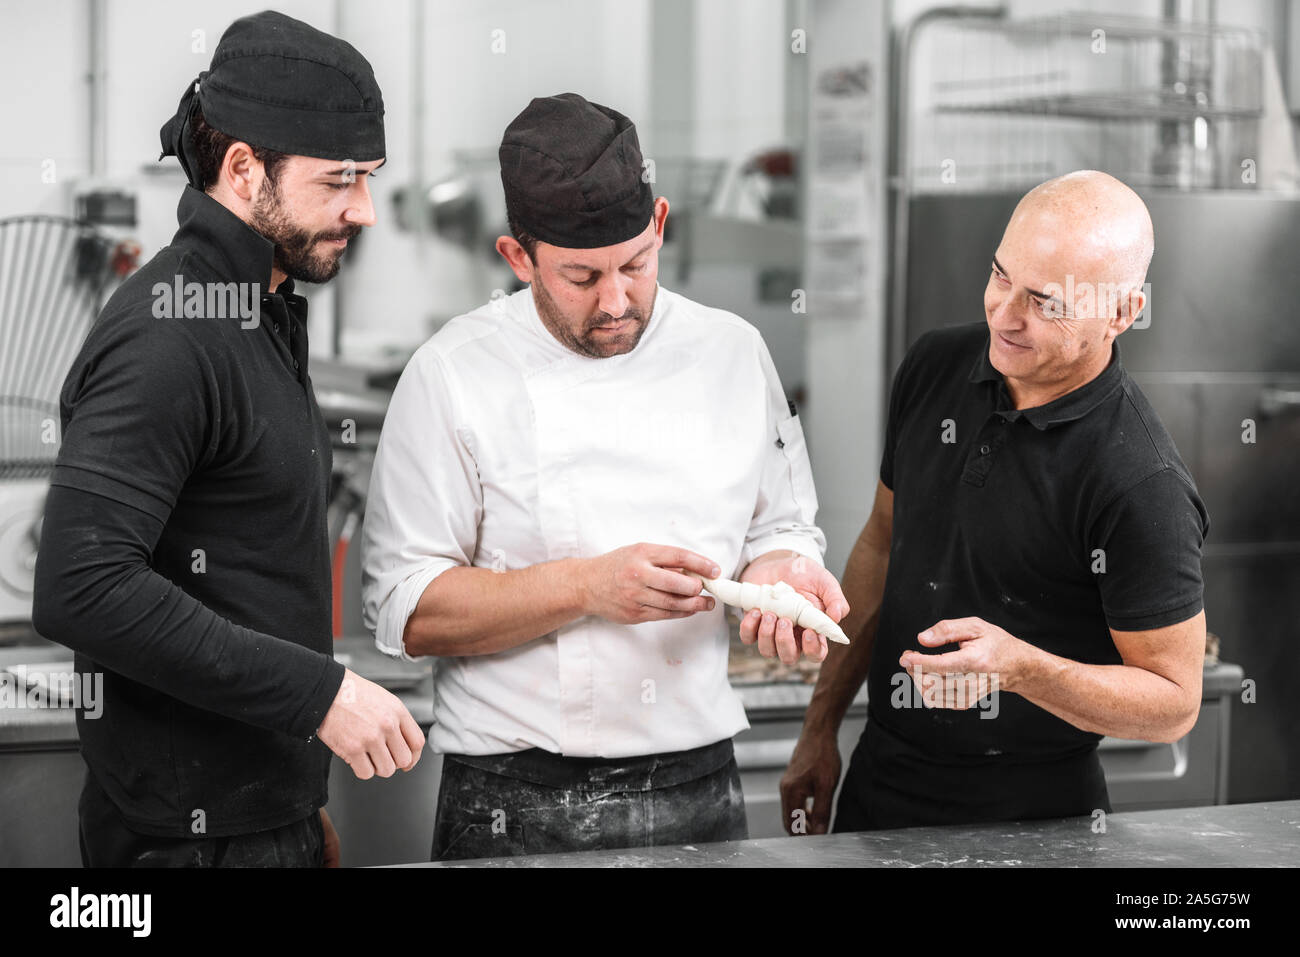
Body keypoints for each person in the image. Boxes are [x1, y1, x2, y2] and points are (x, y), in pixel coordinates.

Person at [362, 92, 849, 861]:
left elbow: (781, 523)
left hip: (701, 790)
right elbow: (405, 608)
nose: (617, 301)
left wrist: (786, 566)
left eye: (635, 264)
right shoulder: (452, 374)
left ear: (658, 224)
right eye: (581, 276)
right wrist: (586, 588)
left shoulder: (731, 351)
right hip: (511, 803)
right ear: (518, 259)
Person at [33, 10, 424, 868]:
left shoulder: (260, 308)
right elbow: (81, 586)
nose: (363, 209)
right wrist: (318, 697)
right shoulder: (168, 334)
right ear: (245, 170)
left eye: (369, 179)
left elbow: (246, 580)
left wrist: (291, 800)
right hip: (182, 845)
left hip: (255, 825)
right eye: (339, 180)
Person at [782, 170, 1209, 834]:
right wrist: (819, 729)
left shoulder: (1138, 478)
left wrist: (1023, 669)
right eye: (1000, 275)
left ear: (1122, 311)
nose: (1005, 316)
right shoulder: (934, 366)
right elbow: (881, 545)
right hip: (878, 790)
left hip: (1037, 820)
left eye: (1045, 301)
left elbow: (1175, 704)